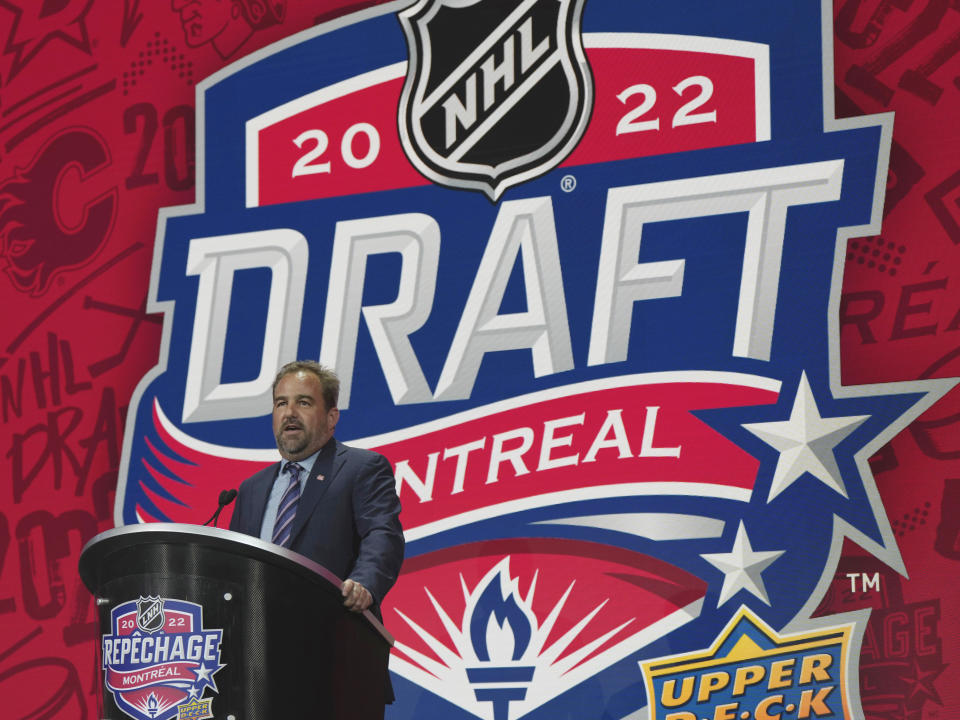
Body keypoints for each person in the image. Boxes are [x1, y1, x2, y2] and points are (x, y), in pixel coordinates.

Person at [228, 360, 404, 616]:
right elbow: (234, 565)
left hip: (333, 630)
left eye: (303, 402)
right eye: (281, 403)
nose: (289, 413)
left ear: (331, 417)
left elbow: (382, 534)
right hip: (256, 636)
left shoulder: (360, 469)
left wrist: (365, 583)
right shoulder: (251, 489)